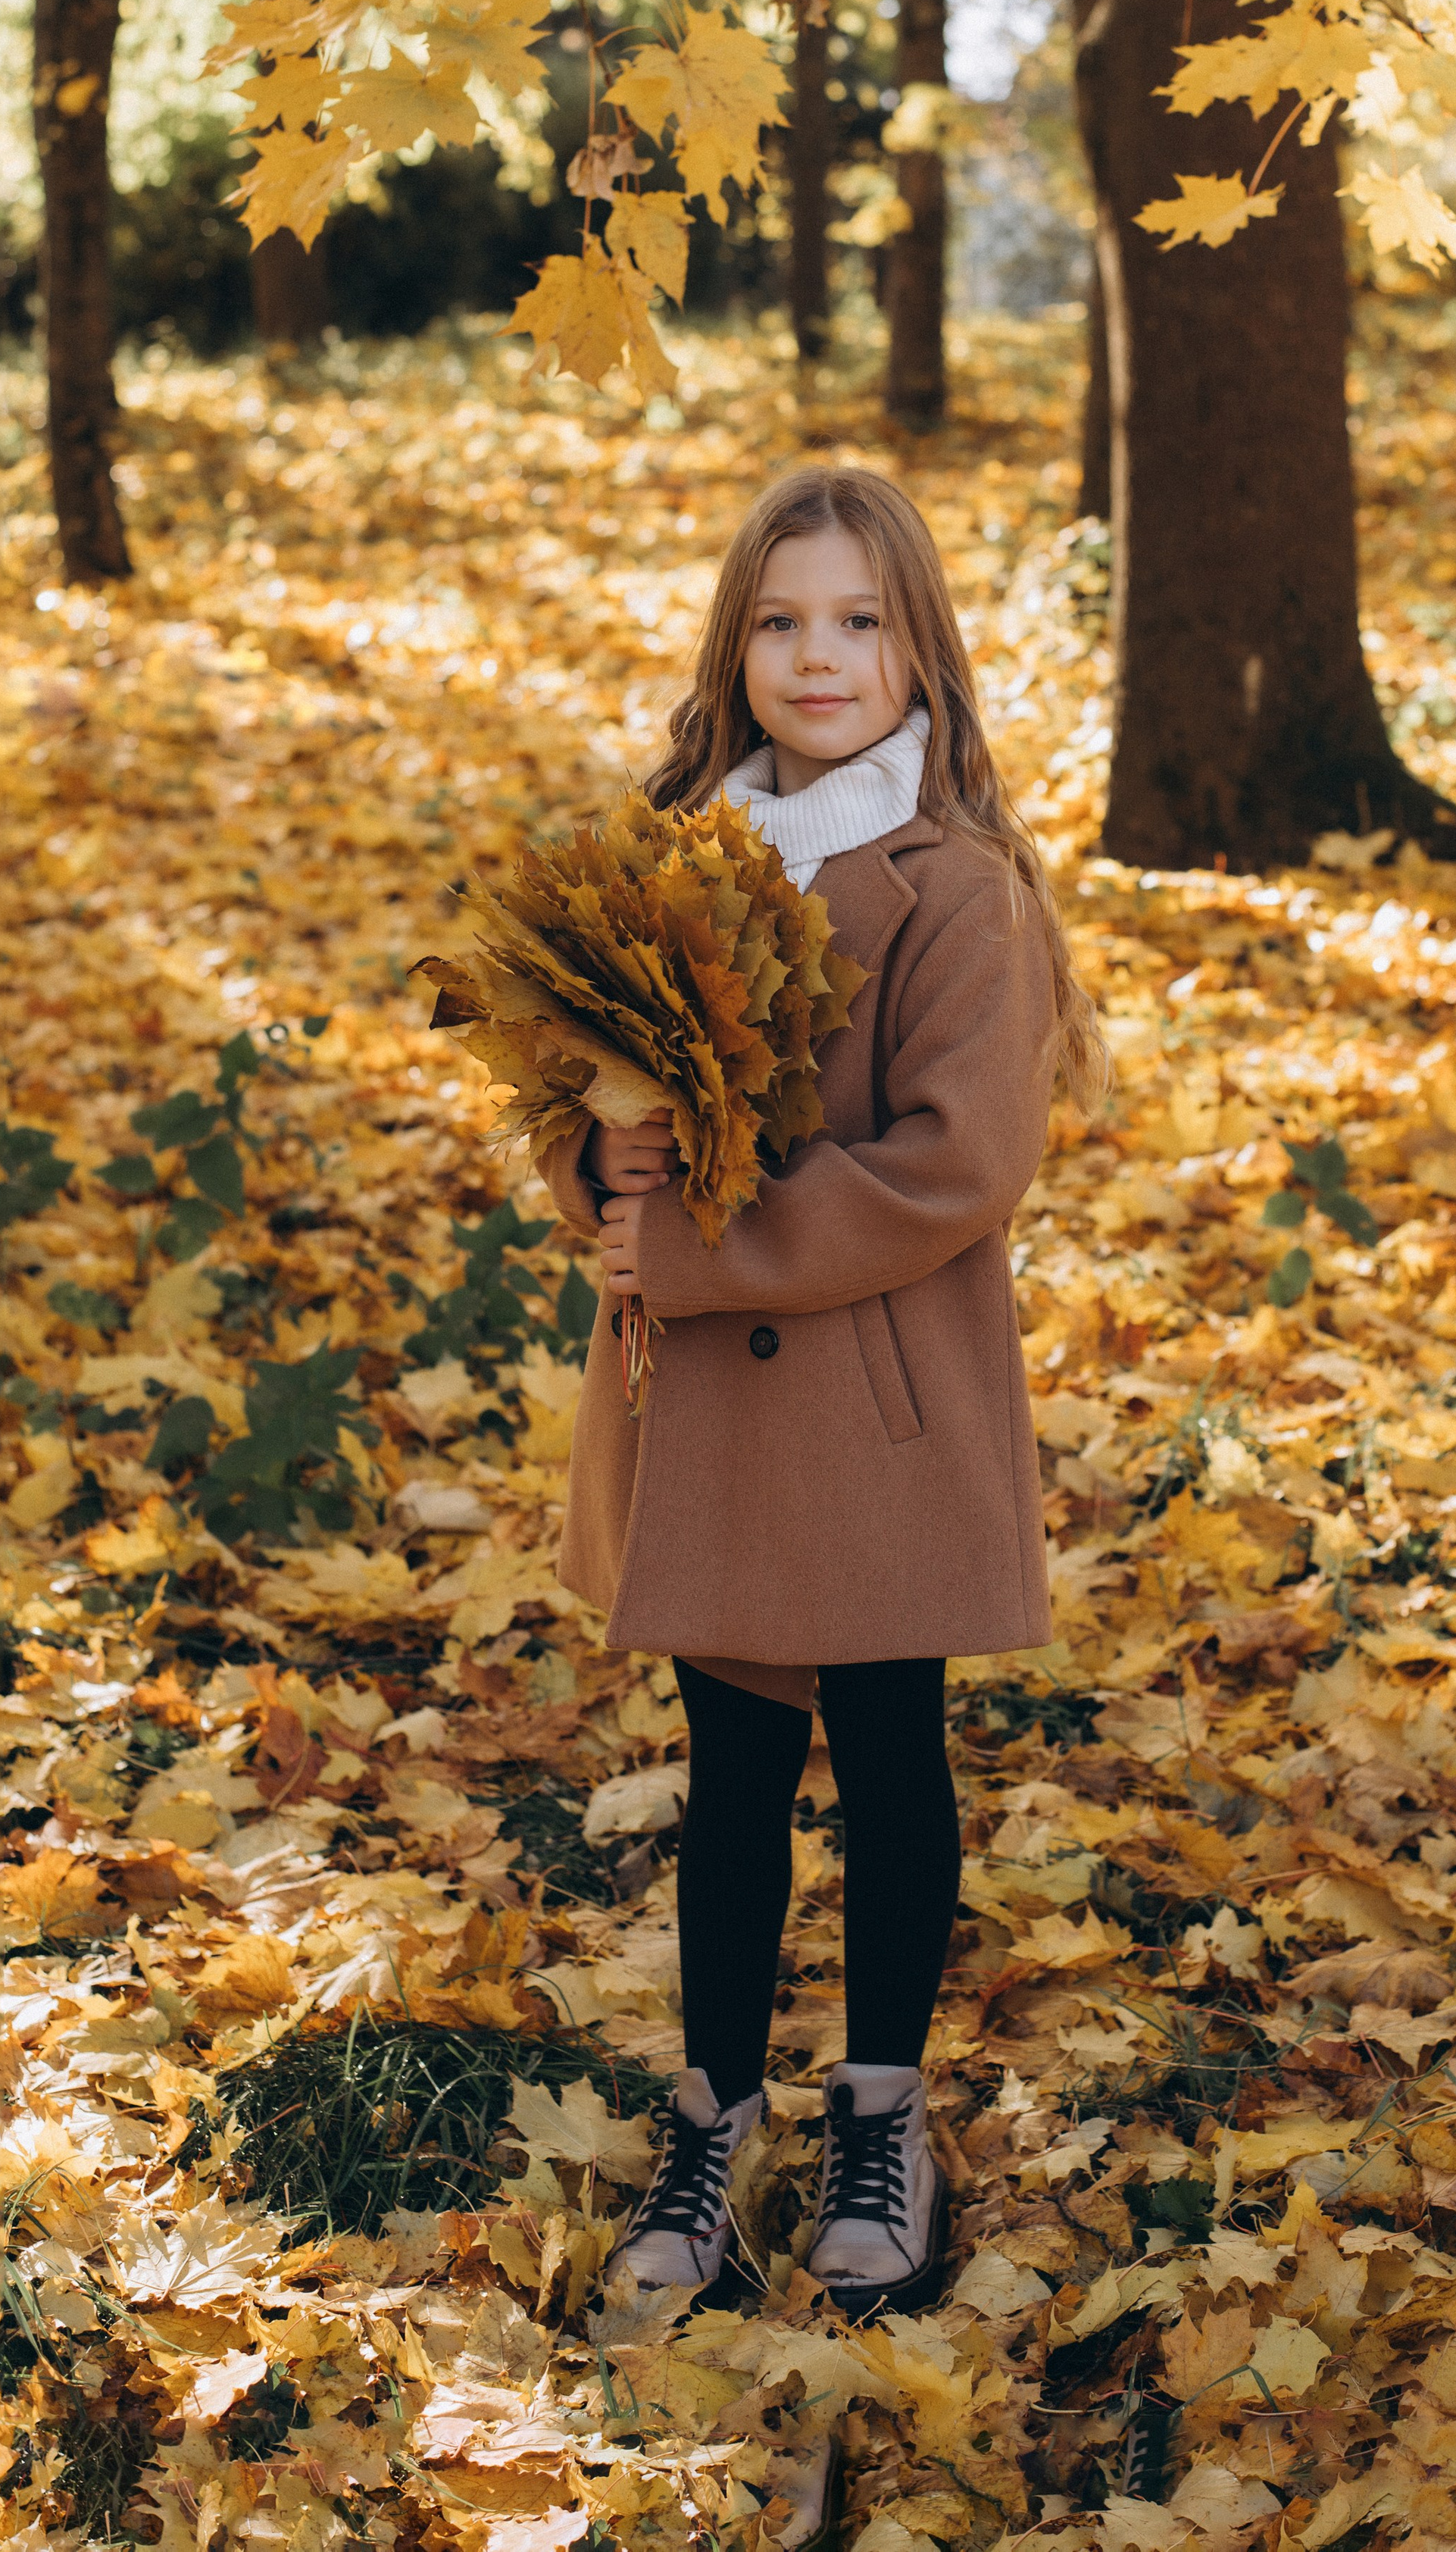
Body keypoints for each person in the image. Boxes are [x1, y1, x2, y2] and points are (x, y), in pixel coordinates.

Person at [536, 464, 1106, 2320]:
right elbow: (588, 1090)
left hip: (879, 1410)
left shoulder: (957, 889)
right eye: (780, 619)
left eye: (857, 618)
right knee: (727, 1772)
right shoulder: (677, 849)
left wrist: (699, 1251)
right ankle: (712, 2112)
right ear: (736, 644)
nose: (817, 654)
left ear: (914, 640)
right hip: (704, 1403)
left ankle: (881, 2105)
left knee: (882, 1750)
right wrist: (596, 1171)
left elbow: (956, 1163)